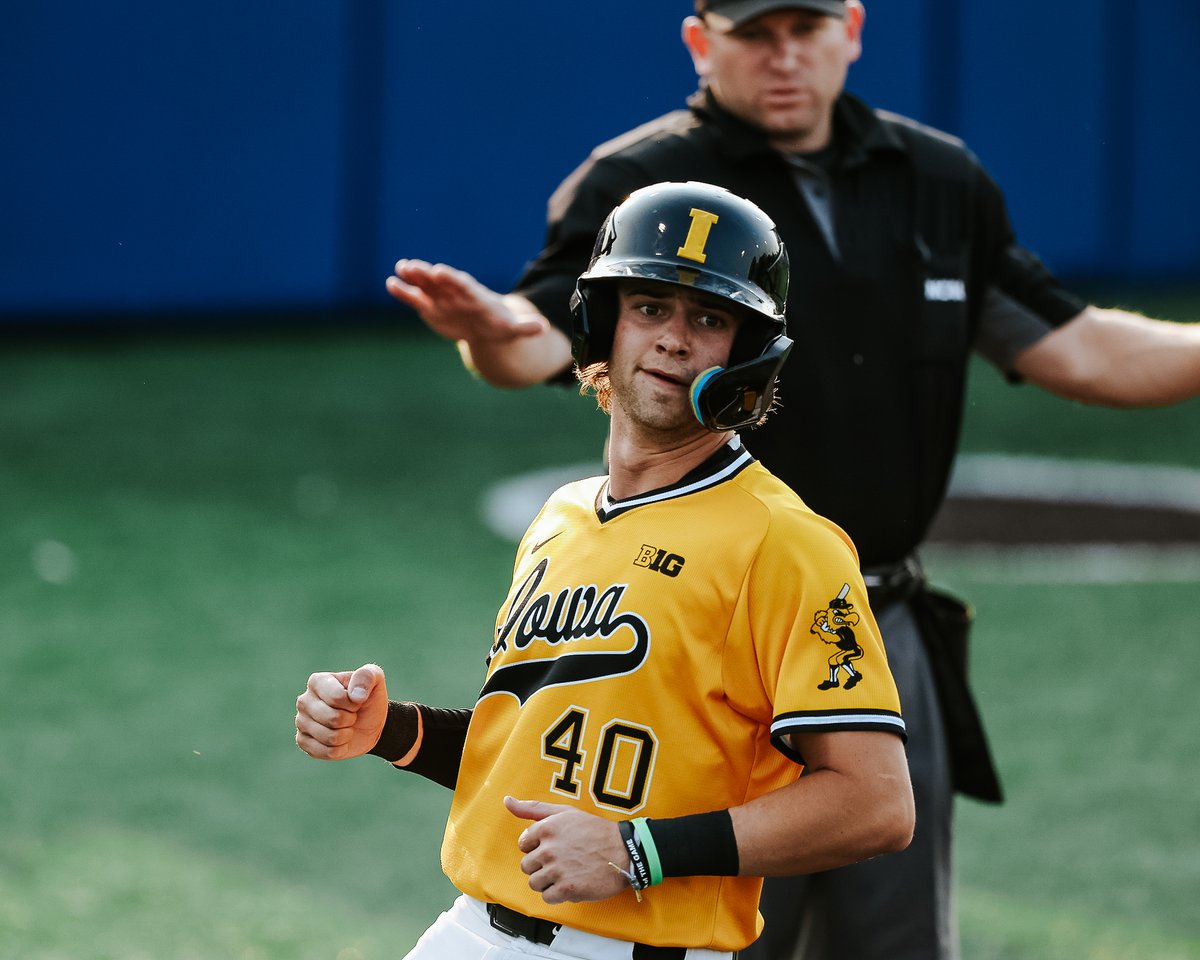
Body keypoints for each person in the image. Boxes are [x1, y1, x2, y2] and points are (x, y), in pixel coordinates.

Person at [384, 2, 1200, 958]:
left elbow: (1083, 348)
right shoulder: (640, 180)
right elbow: (543, 337)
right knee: (706, 921)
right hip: (704, 631)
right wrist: (494, 332)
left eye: (804, 29)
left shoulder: (938, 180)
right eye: (755, 33)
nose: (784, 57)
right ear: (701, 41)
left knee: (890, 933)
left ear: (851, 28)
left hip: (878, 616)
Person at [297, 181, 915, 959]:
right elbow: (533, 754)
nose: (674, 340)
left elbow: (876, 804)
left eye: (710, 319)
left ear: (749, 354)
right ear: (603, 324)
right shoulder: (563, 515)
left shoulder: (784, 542)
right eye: (651, 308)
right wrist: (391, 731)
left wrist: (638, 851)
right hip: (468, 932)